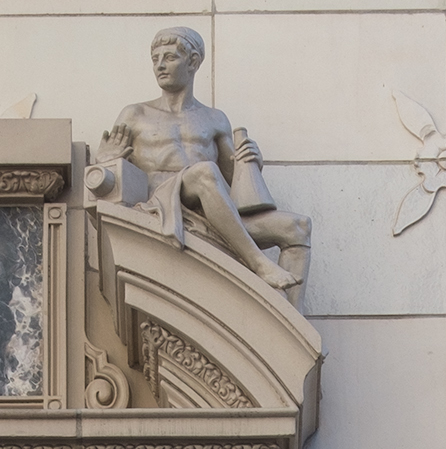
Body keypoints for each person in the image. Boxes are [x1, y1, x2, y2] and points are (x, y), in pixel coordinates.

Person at [99, 25, 310, 308]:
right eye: (155, 59)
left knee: (298, 227)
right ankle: (259, 263)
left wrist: (251, 162)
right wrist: (105, 162)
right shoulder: (135, 114)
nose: (160, 65)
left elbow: (236, 186)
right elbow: (109, 180)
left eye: (169, 57)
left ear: (193, 62)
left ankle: (291, 322)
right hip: (159, 206)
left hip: (211, 214)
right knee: (204, 172)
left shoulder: (215, 119)